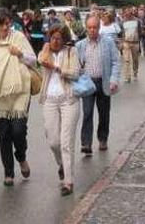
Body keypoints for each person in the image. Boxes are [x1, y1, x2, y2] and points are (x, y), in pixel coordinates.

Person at [0, 7, 36, 186]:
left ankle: (21, 156)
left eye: (8, 23)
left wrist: (19, 54)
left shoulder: (18, 37)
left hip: (20, 91)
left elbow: (33, 60)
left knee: (18, 131)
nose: (6, 27)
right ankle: (8, 172)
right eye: (2, 24)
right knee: (3, 135)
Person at [37, 24, 81, 196]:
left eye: (58, 38)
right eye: (52, 37)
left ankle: (68, 182)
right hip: (49, 100)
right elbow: (39, 59)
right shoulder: (46, 49)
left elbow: (75, 73)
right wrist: (46, 53)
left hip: (69, 100)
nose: (54, 41)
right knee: (53, 141)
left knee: (66, 142)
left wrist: (56, 68)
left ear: (64, 40)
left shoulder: (71, 52)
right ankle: (62, 164)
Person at [76, 16, 121, 154]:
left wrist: (114, 80)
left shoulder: (108, 43)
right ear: (86, 28)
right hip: (88, 83)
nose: (92, 30)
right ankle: (86, 143)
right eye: (89, 27)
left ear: (99, 27)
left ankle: (102, 138)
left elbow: (115, 62)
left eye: (95, 27)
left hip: (104, 81)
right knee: (87, 113)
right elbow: (76, 65)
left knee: (103, 113)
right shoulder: (80, 45)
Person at [121, 8, 141, 83]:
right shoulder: (123, 21)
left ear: (131, 13)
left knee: (135, 60)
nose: (127, 15)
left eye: (128, 13)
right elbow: (122, 32)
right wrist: (122, 42)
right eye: (126, 14)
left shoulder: (137, 21)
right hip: (126, 42)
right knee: (126, 60)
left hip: (135, 42)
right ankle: (127, 77)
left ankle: (135, 73)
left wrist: (138, 40)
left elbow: (140, 31)